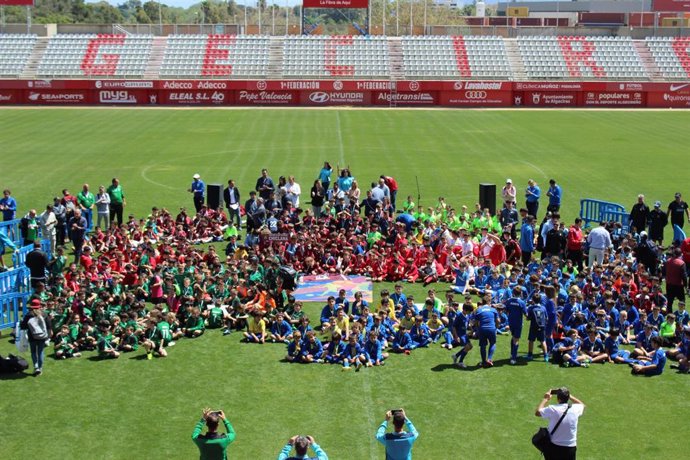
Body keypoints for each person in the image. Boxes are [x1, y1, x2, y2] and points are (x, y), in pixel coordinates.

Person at [535, 387, 585, 460]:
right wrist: (569, 395)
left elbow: (538, 412)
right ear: (567, 398)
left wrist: (545, 399)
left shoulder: (553, 409)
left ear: (558, 399)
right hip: (570, 448)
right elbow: (582, 405)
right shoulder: (575, 408)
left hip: (554, 447)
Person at [20, 299, 52, 376]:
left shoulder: (28, 315)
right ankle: (40, 368)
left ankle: (36, 367)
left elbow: (23, 326)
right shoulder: (44, 314)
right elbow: (49, 325)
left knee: (33, 352)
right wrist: (48, 334)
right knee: (40, 352)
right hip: (42, 336)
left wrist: (21, 323)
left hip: (32, 336)